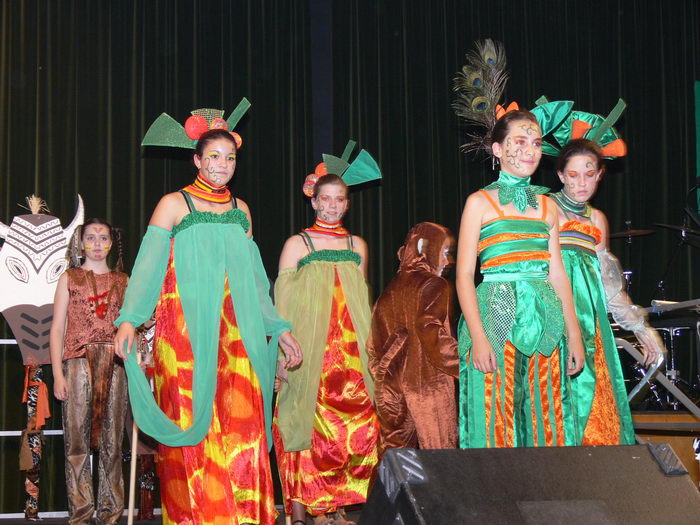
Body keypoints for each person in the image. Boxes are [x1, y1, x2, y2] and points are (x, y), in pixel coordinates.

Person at [114, 117, 302, 525]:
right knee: (191, 428)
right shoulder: (173, 204)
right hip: (183, 336)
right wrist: (130, 318)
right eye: (213, 156)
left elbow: (255, 279)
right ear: (197, 160)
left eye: (230, 157)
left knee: (243, 428)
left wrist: (278, 327)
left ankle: (248, 518)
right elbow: (147, 267)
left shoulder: (242, 211)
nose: (222, 164)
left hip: (238, 334)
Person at [455, 109, 585, 448]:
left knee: (547, 414)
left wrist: (574, 334)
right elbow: (464, 276)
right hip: (495, 313)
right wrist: (479, 337)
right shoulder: (479, 203)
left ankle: (547, 495)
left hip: (545, 317)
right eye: (520, 141)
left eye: (537, 143)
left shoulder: (548, 205)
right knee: (493, 417)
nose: (530, 150)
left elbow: (557, 273)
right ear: (497, 149)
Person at [273, 172, 380, 525]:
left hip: (352, 361)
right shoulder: (297, 244)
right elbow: (282, 305)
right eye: (326, 199)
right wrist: (280, 354)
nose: (332, 205)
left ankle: (337, 509)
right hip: (309, 355)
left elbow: (362, 302)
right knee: (305, 428)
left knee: (356, 431)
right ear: (314, 201)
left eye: (339, 199)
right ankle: (305, 512)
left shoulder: (357, 246)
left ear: (347, 204)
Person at [550, 137, 663, 445]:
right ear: (560, 175)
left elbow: (609, 287)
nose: (581, 183)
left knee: (595, 419)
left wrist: (642, 328)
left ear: (600, 174)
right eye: (572, 175)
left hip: (591, 325)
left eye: (589, 174)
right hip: (551, 320)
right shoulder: (545, 209)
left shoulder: (598, 219)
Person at [49, 218, 128, 525]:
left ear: (112, 242)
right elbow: (57, 329)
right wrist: (58, 373)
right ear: (80, 243)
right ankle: (81, 514)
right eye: (91, 237)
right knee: (77, 443)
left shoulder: (124, 280)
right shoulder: (69, 278)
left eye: (103, 237)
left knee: (112, 442)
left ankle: (110, 514)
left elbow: (134, 324)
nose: (97, 243)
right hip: (78, 363)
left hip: (115, 366)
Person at [366, 222, 460, 449]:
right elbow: (430, 331)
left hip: (394, 394)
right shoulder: (434, 284)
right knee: (442, 463)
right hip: (430, 389)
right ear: (428, 250)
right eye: (445, 253)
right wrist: (466, 362)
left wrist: (386, 380)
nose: (449, 262)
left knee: (398, 466)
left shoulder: (389, 291)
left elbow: (373, 347)